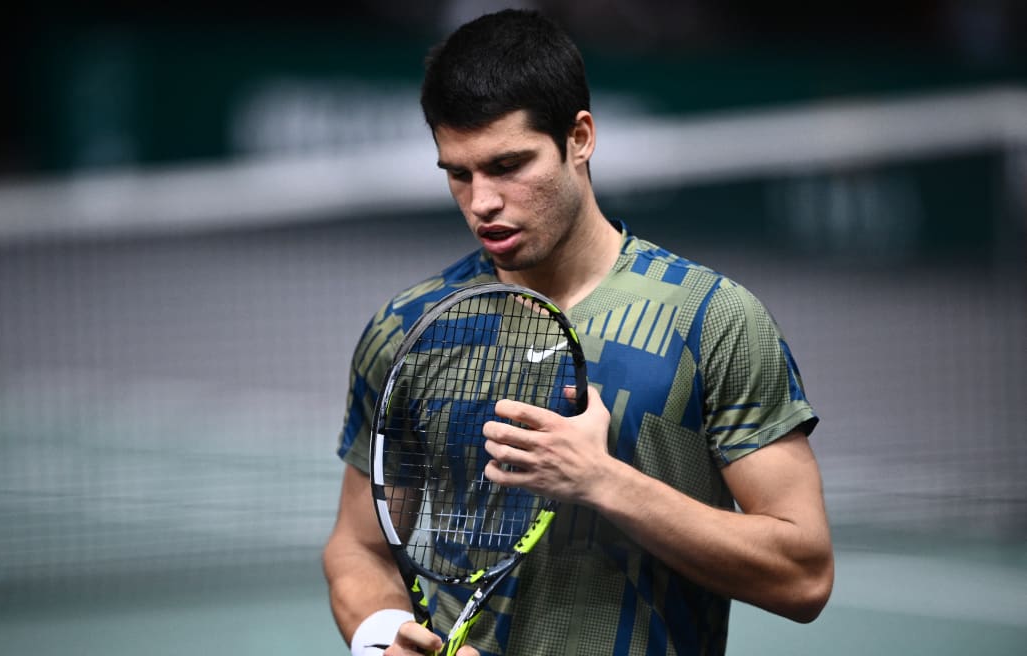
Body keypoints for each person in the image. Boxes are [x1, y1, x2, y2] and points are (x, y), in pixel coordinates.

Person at [322, 8, 834, 656]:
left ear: (580, 137)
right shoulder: (409, 331)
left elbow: (805, 572)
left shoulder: (710, 320)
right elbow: (359, 545)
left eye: (508, 165)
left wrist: (602, 480)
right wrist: (379, 635)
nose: (482, 201)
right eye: (458, 173)